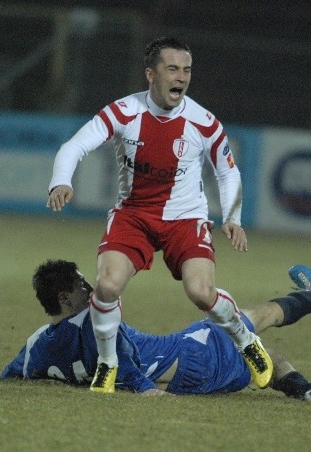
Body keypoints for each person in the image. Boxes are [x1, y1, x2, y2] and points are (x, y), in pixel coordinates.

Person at [45, 36, 272, 393]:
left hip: (184, 217)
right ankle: (108, 363)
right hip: (133, 214)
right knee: (106, 285)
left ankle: (246, 341)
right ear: (151, 74)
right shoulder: (124, 112)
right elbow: (74, 146)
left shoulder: (203, 121)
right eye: (172, 68)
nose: (181, 77)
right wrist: (61, 180)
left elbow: (228, 171)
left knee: (200, 291)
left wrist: (232, 216)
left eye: (186, 70)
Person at [1, 260, 311, 404]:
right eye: (83, 286)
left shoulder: (39, 344)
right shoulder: (94, 323)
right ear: (66, 298)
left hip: (184, 350)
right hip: (190, 358)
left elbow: (12, 373)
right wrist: (153, 395)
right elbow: (126, 368)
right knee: (258, 326)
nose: (92, 289)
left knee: (254, 331)